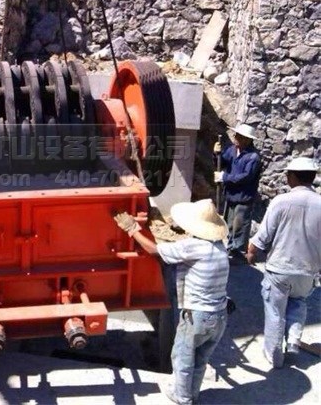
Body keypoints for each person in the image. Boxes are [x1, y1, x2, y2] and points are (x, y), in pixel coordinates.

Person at [114, 199, 229, 405]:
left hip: (198, 316)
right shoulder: (221, 248)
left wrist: (133, 229)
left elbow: (155, 250)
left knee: (182, 356)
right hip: (220, 315)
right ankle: (192, 394)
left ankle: (182, 398)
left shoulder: (194, 247)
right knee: (200, 359)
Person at [247, 157, 321, 368]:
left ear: (293, 176)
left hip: (280, 268)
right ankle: (294, 341)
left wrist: (251, 252)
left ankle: (275, 356)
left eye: (288, 174)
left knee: (275, 311)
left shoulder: (281, 201)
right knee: (298, 302)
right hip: (308, 270)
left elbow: (264, 234)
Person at [213, 123, 261, 262]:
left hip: (243, 197)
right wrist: (216, 154)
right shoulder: (232, 150)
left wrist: (225, 177)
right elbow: (222, 162)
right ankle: (230, 249)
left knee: (239, 226)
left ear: (247, 139)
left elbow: (246, 177)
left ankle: (238, 253)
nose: (236, 138)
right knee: (229, 224)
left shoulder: (253, 157)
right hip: (230, 195)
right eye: (236, 135)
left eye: (239, 136)